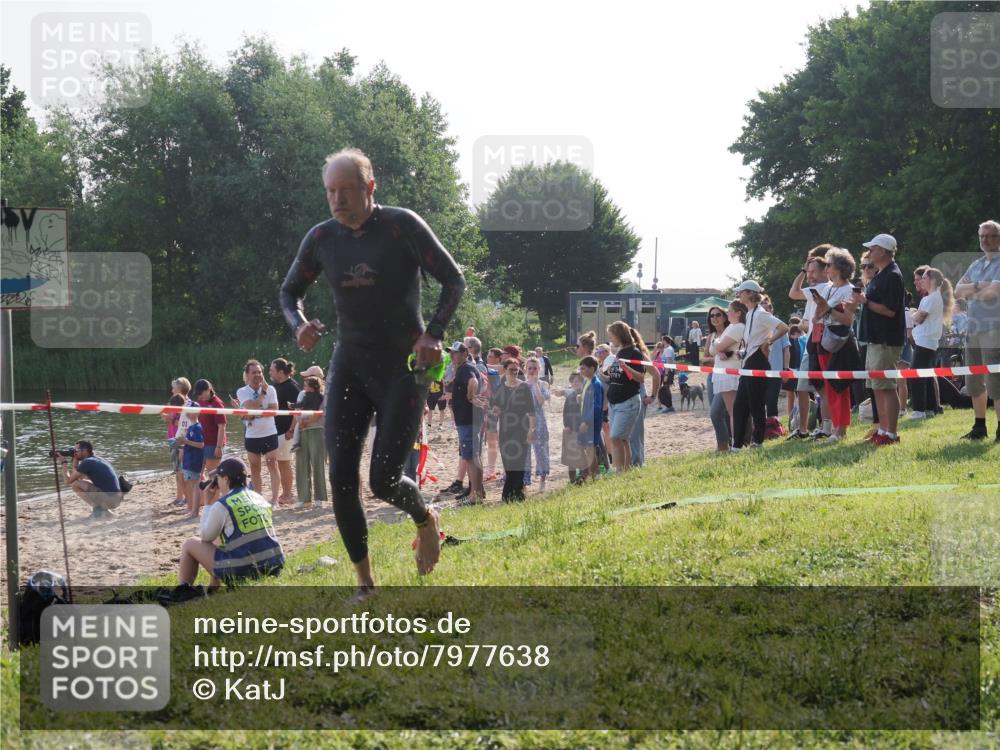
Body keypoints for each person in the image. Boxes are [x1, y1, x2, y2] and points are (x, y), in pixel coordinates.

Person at [279, 147, 465, 593]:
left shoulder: (401, 225)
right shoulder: (322, 239)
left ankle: (424, 516)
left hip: (404, 367)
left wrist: (434, 333)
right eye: (330, 191)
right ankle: (366, 585)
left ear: (370, 188)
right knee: (340, 475)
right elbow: (289, 293)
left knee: (383, 479)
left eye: (347, 190)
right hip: (351, 363)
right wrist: (299, 324)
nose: (337, 199)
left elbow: (453, 279)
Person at [168, 457, 285, 602]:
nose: (216, 481)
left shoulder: (223, 505)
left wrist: (209, 504)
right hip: (273, 566)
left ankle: (183, 590)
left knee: (190, 544)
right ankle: (213, 586)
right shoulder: (259, 498)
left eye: (218, 478)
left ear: (226, 479)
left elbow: (205, 536)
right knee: (220, 536)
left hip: (243, 572)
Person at [854, 233, 906, 446]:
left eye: (873, 248)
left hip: (885, 340)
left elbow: (891, 311)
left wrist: (865, 302)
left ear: (883, 251)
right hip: (875, 339)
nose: (869, 252)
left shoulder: (892, 275)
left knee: (886, 386)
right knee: (877, 386)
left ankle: (891, 433)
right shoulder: (881, 274)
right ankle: (882, 430)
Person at [953, 219, 1000, 440]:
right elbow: (956, 291)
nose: (985, 240)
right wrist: (981, 286)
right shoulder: (976, 264)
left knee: (996, 380)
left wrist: (973, 289)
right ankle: (979, 426)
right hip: (973, 329)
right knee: (973, 379)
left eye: (990, 236)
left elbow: (994, 293)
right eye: (982, 236)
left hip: (994, 328)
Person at [731, 281, 789, 449]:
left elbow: (784, 327)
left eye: (741, 292)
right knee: (740, 404)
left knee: (756, 404)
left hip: (758, 361)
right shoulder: (750, 314)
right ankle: (737, 445)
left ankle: (758, 442)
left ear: (749, 293)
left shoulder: (760, 313)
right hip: (750, 360)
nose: (738, 294)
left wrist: (768, 342)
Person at [809, 248, 860, 441]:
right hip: (823, 340)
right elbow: (818, 316)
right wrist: (820, 310)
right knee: (828, 387)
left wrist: (827, 309)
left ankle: (841, 430)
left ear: (840, 267)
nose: (826, 268)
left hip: (839, 342)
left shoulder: (849, 290)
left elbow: (848, 320)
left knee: (839, 386)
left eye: (829, 264)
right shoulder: (829, 288)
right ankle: (832, 427)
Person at [788, 247, 833, 439]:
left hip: (820, 343)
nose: (809, 275)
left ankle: (824, 427)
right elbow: (806, 323)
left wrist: (802, 271)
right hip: (811, 342)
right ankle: (805, 429)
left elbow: (793, 293)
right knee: (804, 387)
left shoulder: (822, 287)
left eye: (813, 271)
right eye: (808, 271)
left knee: (821, 388)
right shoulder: (814, 292)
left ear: (825, 270)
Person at [604, 320, 661, 471]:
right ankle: (626, 469)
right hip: (616, 400)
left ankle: (628, 467)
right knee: (623, 438)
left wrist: (653, 396)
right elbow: (618, 377)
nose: (610, 339)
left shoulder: (636, 353)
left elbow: (644, 376)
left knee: (621, 437)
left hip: (629, 400)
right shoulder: (620, 353)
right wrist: (609, 372)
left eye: (612, 336)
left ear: (620, 335)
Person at [235, 360, 280, 505]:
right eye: (254, 372)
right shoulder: (242, 391)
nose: (258, 375)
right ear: (247, 375)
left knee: (272, 463)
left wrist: (255, 413)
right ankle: (258, 499)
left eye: (259, 372)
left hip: (269, 432)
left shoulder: (271, 389)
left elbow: (274, 410)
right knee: (255, 468)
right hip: (253, 434)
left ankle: (274, 499)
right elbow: (250, 410)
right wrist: (262, 394)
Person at [490, 358, 536, 502]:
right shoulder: (500, 388)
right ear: (505, 370)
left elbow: (532, 412)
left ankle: (513, 495)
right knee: (508, 462)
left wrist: (531, 431)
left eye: (516, 370)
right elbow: (495, 408)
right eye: (511, 370)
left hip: (521, 428)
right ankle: (513, 494)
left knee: (519, 462)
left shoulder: (524, 387)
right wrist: (495, 411)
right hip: (505, 429)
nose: (514, 372)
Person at [910, 268, 952, 419]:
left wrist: (912, 314)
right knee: (925, 376)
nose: (921, 281)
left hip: (925, 341)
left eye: (924, 278)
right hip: (926, 341)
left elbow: (919, 318)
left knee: (915, 375)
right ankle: (928, 408)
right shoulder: (929, 298)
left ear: (932, 280)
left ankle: (918, 410)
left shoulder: (932, 298)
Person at [449, 341, 486, 504]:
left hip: (468, 419)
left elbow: (474, 382)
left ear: (464, 353)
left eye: (455, 352)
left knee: (471, 457)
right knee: (472, 456)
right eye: (451, 353)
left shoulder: (466, 368)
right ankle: (475, 491)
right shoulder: (466, 367)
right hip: (468, 419)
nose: (452, 356)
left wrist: (471, 397)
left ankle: (475, 495)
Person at [708, 301, 747, 452]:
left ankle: (736, 445)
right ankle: (733, 444)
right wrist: (718, 347)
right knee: (730, 411)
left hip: (730, 372)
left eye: (729, 311)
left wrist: (717, 346)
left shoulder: (737, 327)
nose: (727, 313)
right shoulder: (731, 327)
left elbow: (715, 347)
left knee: (733, 411)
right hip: (724, 371)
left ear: (738, 313)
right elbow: (713, 350)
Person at [58, 441, 123, 519]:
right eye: (73, 450)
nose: (74, 453)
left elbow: (68, 481)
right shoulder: (96, 459)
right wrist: (76, 460)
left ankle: (98, 509)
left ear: (85, 451)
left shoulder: (87, 463)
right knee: (81, 481)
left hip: (110, 500)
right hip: (117, 498)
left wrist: (64, 463)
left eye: (76, 450)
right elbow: (80, 478)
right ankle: (104, 510)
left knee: (74, 484)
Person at [293, 372, 328, 507]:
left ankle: (320, 498)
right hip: (302, 431)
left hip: (316, 430)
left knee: (318, 463)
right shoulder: (303, 394)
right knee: (301, 464)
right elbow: (298, 409)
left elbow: (319, 413)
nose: (305, 381)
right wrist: (300, 423)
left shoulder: (322, 396)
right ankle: (304, 498)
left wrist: (306, 422)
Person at [269, 358, 300, 505]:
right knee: (278, 462)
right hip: (276, 430)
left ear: (281, 372)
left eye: (272, 370)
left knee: (284, 462)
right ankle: (285, 492)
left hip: (286, 431)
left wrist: (291, 430)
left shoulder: (292, 387)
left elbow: (297, 410)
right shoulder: (276, 386)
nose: (270, 372)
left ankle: (288, 494)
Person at [761, 295, 790, 435]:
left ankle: (774, 429)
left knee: (772, 401)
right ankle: (760, 428)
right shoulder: (757, 327)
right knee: (759, 401)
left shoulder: (780, 326)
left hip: (775, 370)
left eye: (769, 307)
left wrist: (785, 368)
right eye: (763, 307)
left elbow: (786, 349)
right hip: (759, 370)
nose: (767, 310)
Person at [523, 356, 551, 491]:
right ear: (525, 369)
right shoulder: (521, 384)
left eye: (535, 368)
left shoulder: (543, 384)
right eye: (530, 368)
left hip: (539, 420)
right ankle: (524, 481)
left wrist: (535, 385)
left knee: (541, 450)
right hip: (524, 421)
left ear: (539, 369)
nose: (532, 370)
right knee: (525, 451)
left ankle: (542, 479)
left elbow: (541, 402)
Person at [191, 379, 227, 482]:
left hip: (213, 443)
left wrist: (219, 446)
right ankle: (202, 497)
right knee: (197, 475)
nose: (199, 396)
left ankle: (216, 497)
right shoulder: (200, 401)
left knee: (213, 475)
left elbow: (222, 426)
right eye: (198, 394)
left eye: (201, 393)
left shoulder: (217, 403)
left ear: (209, 389)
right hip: (201, 442)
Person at [163, 377, 191, 507]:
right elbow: (169, 417)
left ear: (180, 388)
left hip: (181, 441)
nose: (172, 389)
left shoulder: (187, 403)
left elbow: (186, 423)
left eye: (174, 387)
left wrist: (170, 419)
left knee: (181, 471)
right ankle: (179, 497)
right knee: (177, 471)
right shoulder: (174, 402)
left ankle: (186, 497)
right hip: (173, 438)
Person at [175, 402, 205, 518]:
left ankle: (194, 510)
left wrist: (186, 441)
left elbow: (201, 444)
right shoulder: (191, 427)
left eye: (190, 410)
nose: (187, 412)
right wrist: (183, 442)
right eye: (186, 410)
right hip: (189, 460)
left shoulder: (197, 427)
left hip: (194, 461)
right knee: (191, 485)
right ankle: (191, 508)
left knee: (195, 485)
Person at [577, 356, 605, 480]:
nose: (581, 371)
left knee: (590, 449)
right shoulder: (586, 381)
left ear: (592, 369)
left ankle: (595, 475)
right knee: (581, 446)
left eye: (583, 369)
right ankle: (588, 473)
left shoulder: (596, 383)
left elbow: (596, 405)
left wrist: (587, 421)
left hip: (592, 422)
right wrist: (580, 398)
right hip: (585, 420)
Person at [556, 371, 586, 484]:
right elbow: (565, 413)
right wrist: (567, 426)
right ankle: (572, 480)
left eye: (578, 381)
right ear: (571, 383)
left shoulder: (586, 394)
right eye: (574, 382)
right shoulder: (570, 396)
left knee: (583, 455)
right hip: (571, 428)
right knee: (571, 456)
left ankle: (584, 476)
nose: (576, 384)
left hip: (582, 429)